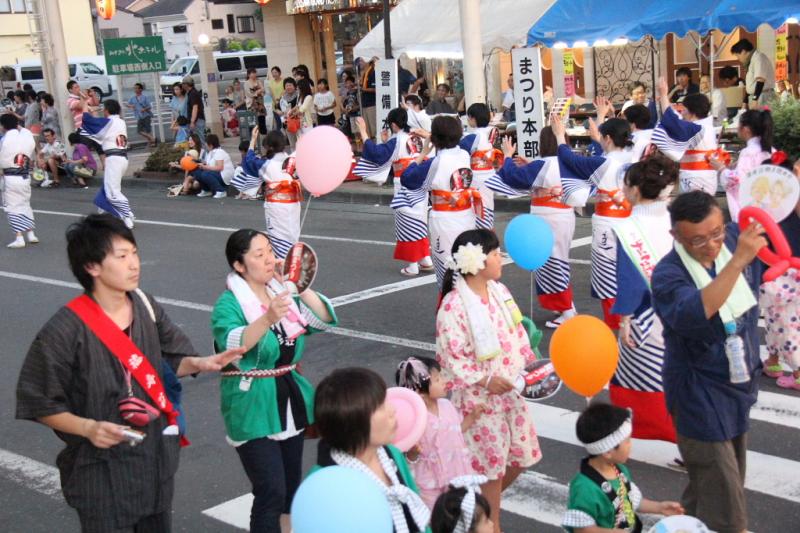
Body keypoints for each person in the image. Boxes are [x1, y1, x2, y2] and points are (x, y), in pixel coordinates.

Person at [15, 214, 244, 533]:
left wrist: (202, 363)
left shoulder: (145, 305)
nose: (134, 263)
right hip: (101, 473)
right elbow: (40, 401)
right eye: (122, 256)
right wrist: (88, 427)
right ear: (91, 266)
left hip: (152, 463)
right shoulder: (64, 329)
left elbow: (174, 357)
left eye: (134, 253)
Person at [651, 191, 766, 533]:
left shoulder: (733, 240)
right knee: (727, 503)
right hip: (698, 395)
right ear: (676, 236)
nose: (712, 245)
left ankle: (684, 526)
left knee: (709, 487)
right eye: (698, 240)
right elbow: (700, 308)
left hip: (737, 383)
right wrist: (737, 262)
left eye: (717, 233)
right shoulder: (667, 275)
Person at [211, 228, 336, 533]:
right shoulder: (228, 304)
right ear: (239, 266)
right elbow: (232, 345)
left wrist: (299, 286)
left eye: (269, 250)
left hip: (288, 396)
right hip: (251, 401)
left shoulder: (279, 290)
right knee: (271, 490)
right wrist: (267, 318)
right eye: (259, 254)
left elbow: (321, 320)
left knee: (291, 487)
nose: (269, 259)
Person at [436, 229, 542, 533]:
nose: (501, 259)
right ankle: (491, 523)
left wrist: (530, 364)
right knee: (493, 472)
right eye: (495, 254)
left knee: (520, 458)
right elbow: (450, 358)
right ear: (478, 261)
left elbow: (518, 330)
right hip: (480, 404)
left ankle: (476, 506)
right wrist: (485, 380)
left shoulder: (500, 291)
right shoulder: (454, 306)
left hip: (511, 392)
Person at [609, 155, 680, 445]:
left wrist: (624, 319)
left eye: (626, 185)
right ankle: (691, 438)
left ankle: (661, 431)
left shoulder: (629, 227)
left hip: (646, 314)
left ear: (636, 190)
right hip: (680, 307)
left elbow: (630, 280)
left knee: (644, 377)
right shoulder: (676, 217)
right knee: (678, 374)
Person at [314, 367, 430, 533]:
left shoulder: (392, 454)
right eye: (381, 406)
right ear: (353, 422)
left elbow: (416, 508)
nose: (393, 410)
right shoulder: (323, 482)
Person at [552, 116, 633, 329]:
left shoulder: (604, 163)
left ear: (607, 138)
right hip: (631, 220)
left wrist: (560, 136)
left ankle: (617, 325)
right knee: (626, 273)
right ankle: (630, 321)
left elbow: (572, 161)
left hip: (608, 223)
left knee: (608, 278)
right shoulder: (632, 159)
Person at [493, 128, 578, 328]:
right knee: (559, 259)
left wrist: (507, 156)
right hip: (565, 214)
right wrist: (530, 165)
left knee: (551, 263)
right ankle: (565, 306)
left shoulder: (543, 165)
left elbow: (513, 177)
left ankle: (567, 309)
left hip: (547, 216)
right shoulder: (568, 163)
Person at [562, 403, 684, 532]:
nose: (630, 445)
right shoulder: (585, 488)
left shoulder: (618, 469)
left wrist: (659, 508)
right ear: (608, 451)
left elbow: (629, 500)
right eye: (627, 441)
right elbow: (582, 530)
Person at [354, 110, 435, 276]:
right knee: (419, 220)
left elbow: (377, 154)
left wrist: (363, 131)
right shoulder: (416, 137)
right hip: (421, 183)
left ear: (393, 124)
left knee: (406, 223)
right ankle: (425, 259)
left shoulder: (397, 140)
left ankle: (413, 265)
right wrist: (386, 141)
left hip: (404, 183)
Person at [400, 116, 478, 287]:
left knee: (447, 270)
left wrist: (422, 154)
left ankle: (451, 305)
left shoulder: (436, 162)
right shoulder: (464, 154)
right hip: (467, 214)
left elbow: (407, 179)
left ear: (434, 138)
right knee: (467, 263)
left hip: (444, 219)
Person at [395, 356, 479, 509]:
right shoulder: (414, 418)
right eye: (437, 379)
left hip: (457, 472)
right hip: (430, 482)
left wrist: (472, 417)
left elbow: (456, 431)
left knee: (461, 512)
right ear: (420, 389)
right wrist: (413, 453)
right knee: (436, 518)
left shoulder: (447, 405)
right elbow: (407, 456)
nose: (444, 382)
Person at [757, 154, 800, 391]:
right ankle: (773, 361)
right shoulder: (769, 209)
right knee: (775, 322)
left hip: (787, 278)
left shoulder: (792, 205)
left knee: (787, 327)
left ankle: (798, 371)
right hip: (777, 276)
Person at [653, 76, 718, 194]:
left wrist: (663, 95)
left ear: (692, 111)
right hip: (696, 176)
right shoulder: (702, 127)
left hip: (698, 178)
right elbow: (674, 118)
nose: (681, 112)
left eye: (684, 109)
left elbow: (672, 120)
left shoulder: (699, 129)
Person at [245, 128, 303, 259]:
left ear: (269, 147)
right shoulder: (292, 159)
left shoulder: (267, 164)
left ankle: (282, 268)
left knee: (278, 240)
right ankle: (291, 265)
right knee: (292, 236)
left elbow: (249, 161)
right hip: (293, 205)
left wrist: (253, 141)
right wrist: (300, 145)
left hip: (276, 207)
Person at [459, 103, 516, 231]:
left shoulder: (472, 136)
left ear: (473, 119)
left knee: (478, 210)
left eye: (468, 117)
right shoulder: (492, 132)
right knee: (488, 207)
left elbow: (459, 151)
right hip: (490, 173)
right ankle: (488, 236)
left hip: (477, 177)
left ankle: (483, 239)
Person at [81, 99, 135, 229]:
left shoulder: (109, 122)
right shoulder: (120, 122)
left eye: (104, 108)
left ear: (107, 110)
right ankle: (103, 212)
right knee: (108, 187)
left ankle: (127, 215)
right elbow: (101, 128)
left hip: (114, 159)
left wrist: (84, 108)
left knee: (112, 191)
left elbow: (91, 123)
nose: (103, 110)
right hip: (122, 158)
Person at [710, 109, 773, 220]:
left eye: (739, 124)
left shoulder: (748, 152)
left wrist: (721, 168)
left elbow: (738, 180)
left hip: (753, 207)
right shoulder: (771, 150)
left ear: (746, 129)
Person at [0, 113, 38, 248]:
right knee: (25, 204)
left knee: (13, 207)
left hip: (10, 177)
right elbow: (25, 130)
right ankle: (31, 234)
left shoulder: (4, 140)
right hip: (25, 177)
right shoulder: (27, 138)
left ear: (3, 126)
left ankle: (19, 237)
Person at [731, 38, 775, 108]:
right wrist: (745, 102)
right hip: (757, 97)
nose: (737, 58)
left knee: (763, 118)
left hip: (762, 96)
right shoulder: (751, 61)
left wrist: (755, 99)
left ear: (743, 51)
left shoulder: (758, 58)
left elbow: (760, 80)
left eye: (737, 55)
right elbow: (751, 85)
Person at [189, 134, 234, 199]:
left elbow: (220, 167)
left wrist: (205, 167)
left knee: (205, 174)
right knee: (197, 172)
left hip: (224, 175)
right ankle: (206, 190)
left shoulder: (219, 152)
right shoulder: (210, 153)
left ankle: (221, 191)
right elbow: (208, 164)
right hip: (216, 173)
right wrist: (199, 163)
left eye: (206, 143)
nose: (205, 145)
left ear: (210, 145)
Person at [126, 82, 156, 147]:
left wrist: (144, 109)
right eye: (134, 88)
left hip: (146, 115)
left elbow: (149, 106)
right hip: (138, 116)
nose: (135, 89)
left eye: (137, 88)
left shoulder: (144, 97)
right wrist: (131, 106)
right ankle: (152, 138)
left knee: (147, 130)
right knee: (139, 131)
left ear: (141, 89)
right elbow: (127, 104)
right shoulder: (133, 98)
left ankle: (151, 142)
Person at [182, 75, 206, 146]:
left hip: (197, 121)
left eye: (183, 84)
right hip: (197, 120)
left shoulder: (193, 94)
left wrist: (192, 121)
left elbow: (195, 108)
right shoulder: (191, 93)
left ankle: (203, 155)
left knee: (200, 140)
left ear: (187, 84)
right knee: (193, 140)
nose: (182, 85)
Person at [277, 77, 299, 150]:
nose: (288, 87)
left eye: (290, 85)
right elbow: (278, 108)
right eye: (286, 86)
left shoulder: (298, 95)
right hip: (288, 124)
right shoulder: (283, 98)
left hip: (298, 122)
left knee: (300, 142)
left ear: (294, 86)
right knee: (292, 144)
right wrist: (280, 112)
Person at [360, 57, 378, 138]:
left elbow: (376, 89)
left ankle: (376, 146)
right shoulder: (365, 73)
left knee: (373, 128)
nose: (360, 62)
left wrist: (364, 89)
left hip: (371, 104)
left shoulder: (372, 72)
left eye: (361, 60)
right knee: (367, 129)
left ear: (367, 61)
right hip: (365, 103)